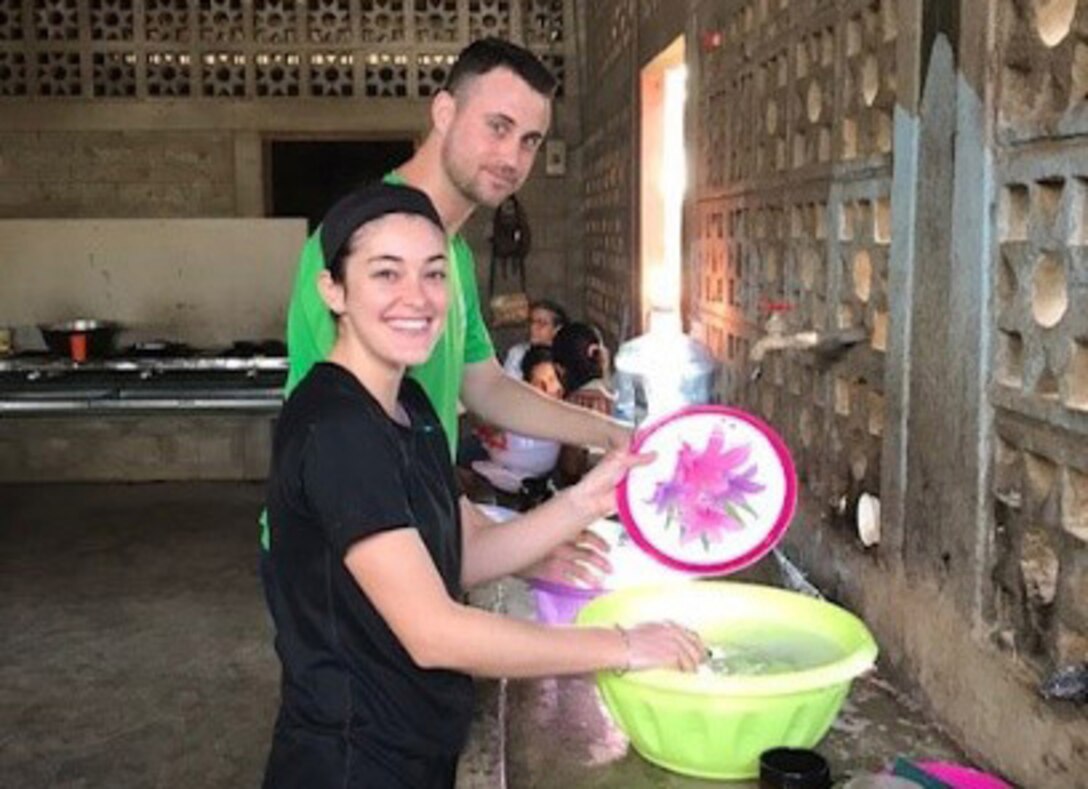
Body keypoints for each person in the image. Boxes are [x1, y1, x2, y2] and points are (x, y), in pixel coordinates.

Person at [262, 182, 705, 788]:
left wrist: (585, 500)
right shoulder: (336, 428)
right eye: (386, 274)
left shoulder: (406, 403)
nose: (417, 298)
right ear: (333, 291)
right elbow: (434, 632)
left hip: (412, 743)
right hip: (352, 761)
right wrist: (623, 645)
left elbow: (460, 556)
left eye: (434, 274)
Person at [267, 38, 629, 571]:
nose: (512, 158)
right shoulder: (359, 242)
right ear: (443, 111)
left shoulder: (451, 253)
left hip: (420, 530)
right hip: (344, 554)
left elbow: (484, 386)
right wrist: (507, 543)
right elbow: (361, 440)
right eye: (497, 126)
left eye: (530, 140)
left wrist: (615, 435)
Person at [501, 298, 568, 377]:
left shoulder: (567, 356)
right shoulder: (517, 354)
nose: (533, 327)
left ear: (557, 329)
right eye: (531, 321)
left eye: (541, 323)